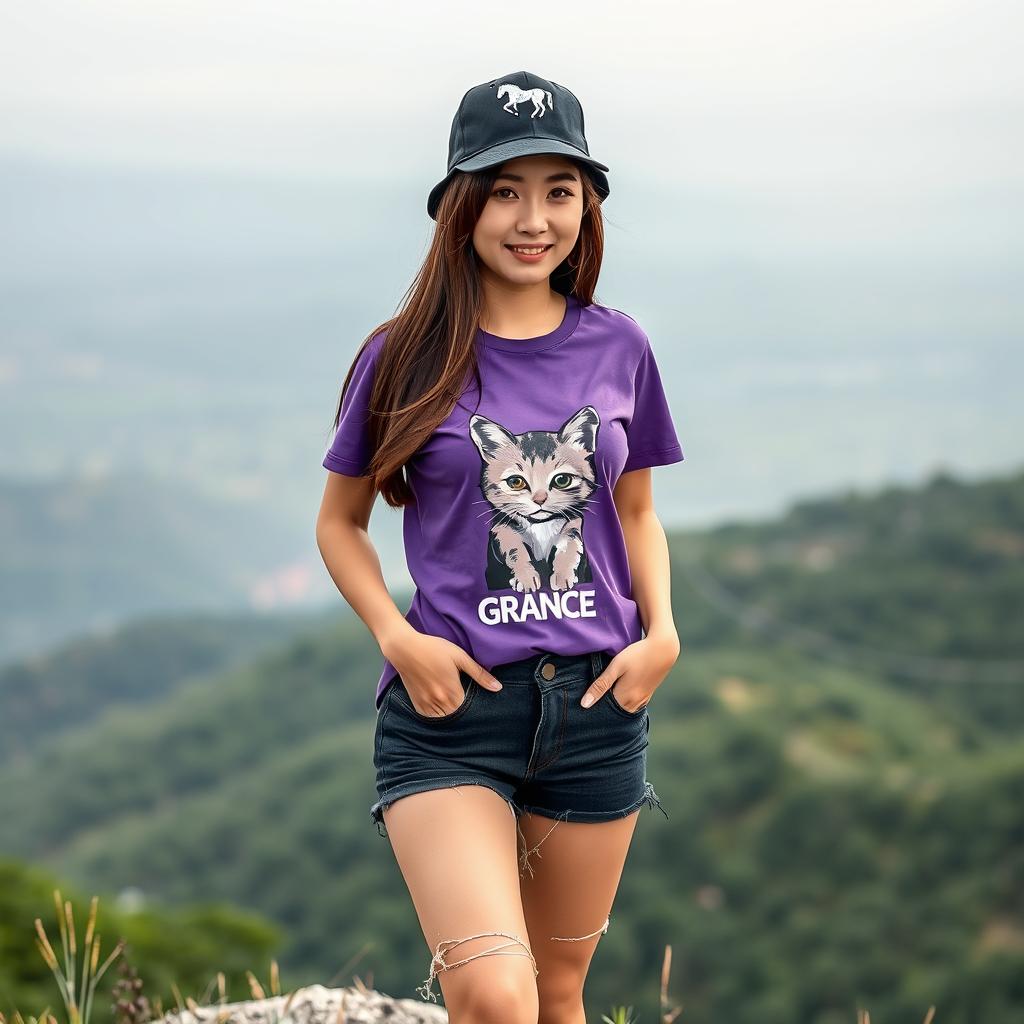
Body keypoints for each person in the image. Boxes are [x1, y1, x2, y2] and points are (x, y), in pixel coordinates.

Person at [315, 70, 684, 1022]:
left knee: (559, 995)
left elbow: (636, 512)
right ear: (459, 206)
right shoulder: (401, 354)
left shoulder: (620, 346)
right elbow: (339, 523)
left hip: (599, 706)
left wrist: (664, 634)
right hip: (454, 714)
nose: (534, 218)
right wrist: (397, 639)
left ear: (586, 206)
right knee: (492, 993)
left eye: (559, 190)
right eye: (506, 190)